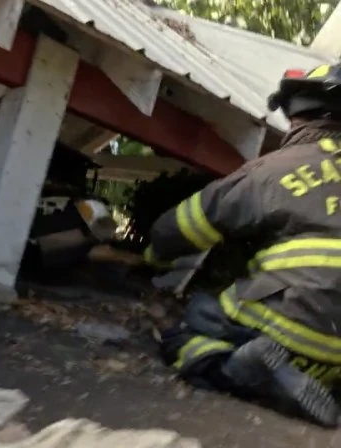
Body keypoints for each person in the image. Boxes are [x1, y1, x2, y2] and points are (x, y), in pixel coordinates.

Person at [144, 63, 341, 427]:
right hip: (334, 362)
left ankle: (234, 368)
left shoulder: (276, 168)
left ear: (301, 116)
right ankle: (302, 382)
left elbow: (176, 230)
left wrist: (153, 258)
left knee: (193, 320)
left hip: (286, 332)